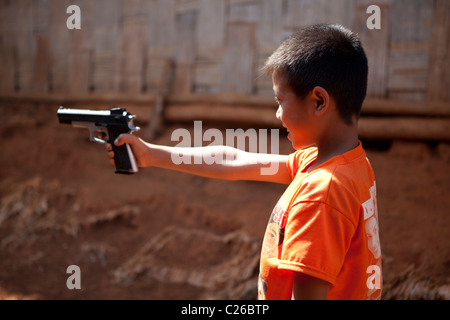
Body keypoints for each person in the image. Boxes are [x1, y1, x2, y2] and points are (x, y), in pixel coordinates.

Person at [104, 24, 382, 300]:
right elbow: (233, 161)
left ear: (318, 101)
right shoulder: (339, 163)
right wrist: (150, 154)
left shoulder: (322, 194)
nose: (277, 113)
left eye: (280, 100)